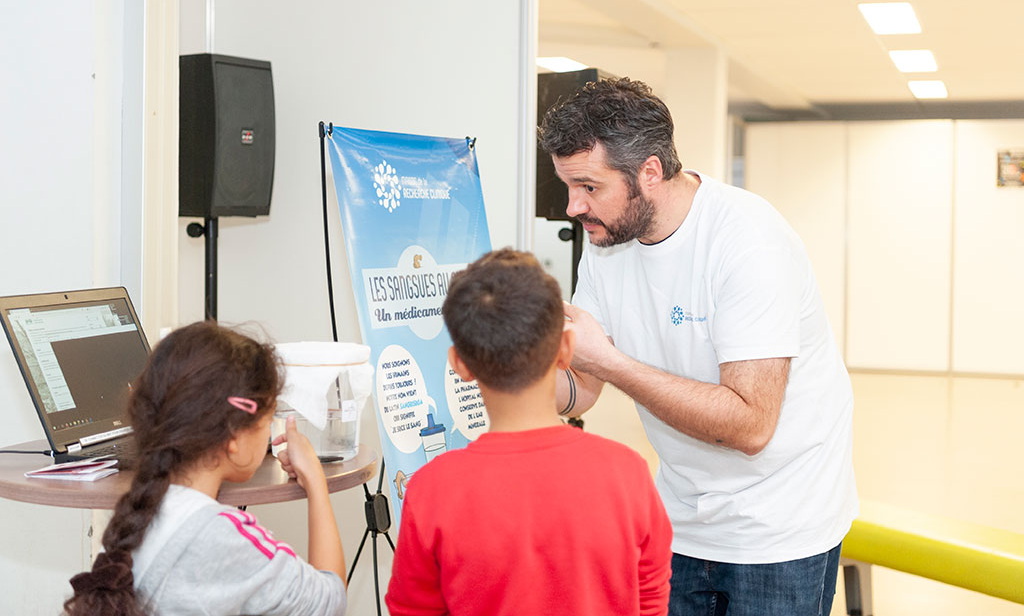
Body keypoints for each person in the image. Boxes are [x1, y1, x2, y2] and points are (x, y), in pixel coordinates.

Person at [538, 77, 858, 616]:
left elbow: (751, 425)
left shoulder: (748, 243)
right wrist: (510, 373)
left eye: (589, 187)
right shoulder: (606, 242)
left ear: (650, 172)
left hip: (781, 524)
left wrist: (611, 362)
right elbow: (581, 389)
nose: (573, 207)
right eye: (568, 186)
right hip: (682, 518)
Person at [386, 248, 672, 616]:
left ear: (459, 364)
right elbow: (650, 602)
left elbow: (413, 610)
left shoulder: (430, 490)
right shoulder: (628, 474)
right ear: (566, 350)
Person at [63, 321, 347, 616]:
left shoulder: (134, 520)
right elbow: (330, 601)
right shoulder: (220, 535)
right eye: (269, 417)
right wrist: (316, 482)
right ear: (234, 434)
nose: (268, 432)